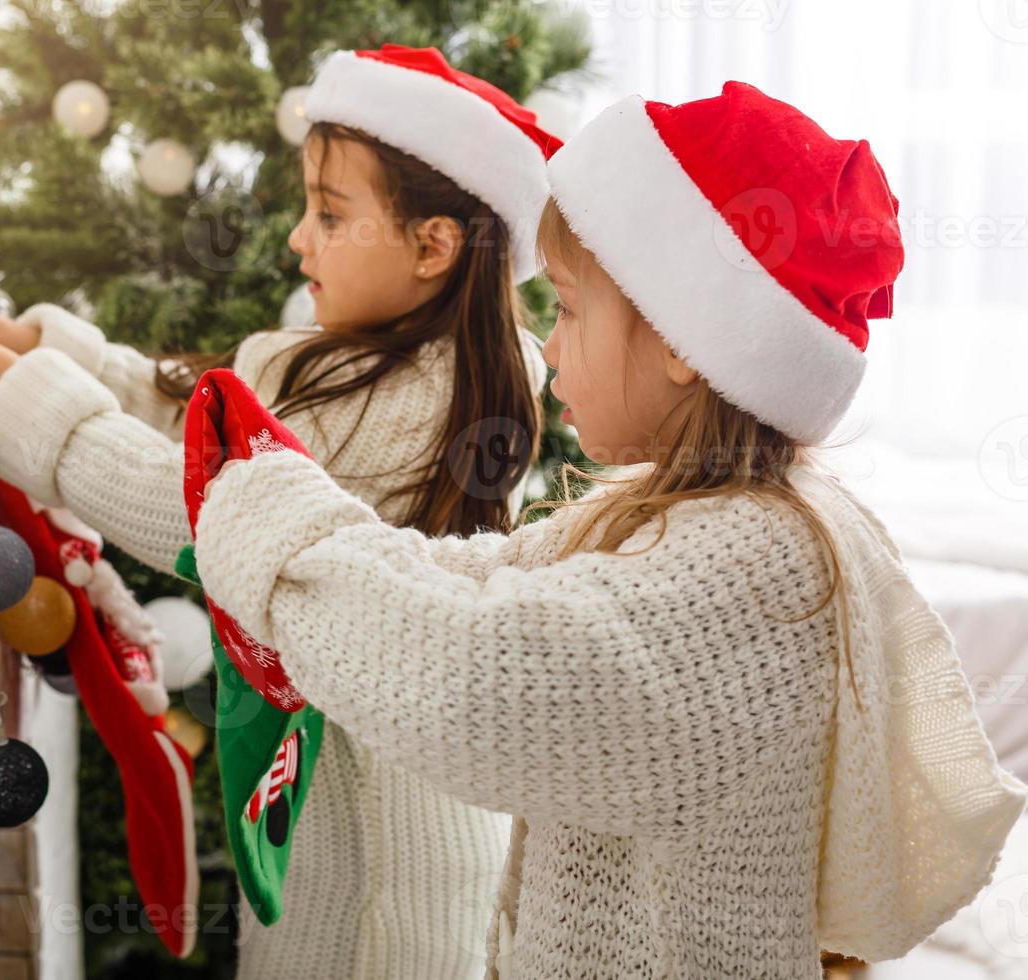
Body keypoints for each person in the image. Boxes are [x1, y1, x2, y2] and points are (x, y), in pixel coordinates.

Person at [190, 82, 1027, 978]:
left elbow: (475, 682)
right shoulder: (657, 513)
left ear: (680, 340)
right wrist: (285, 509)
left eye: (572, 308)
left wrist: (262, 509)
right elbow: (470, 577)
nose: (547, 345)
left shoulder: (755, 565)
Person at [0, 45, 561, 979]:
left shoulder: (423, 402)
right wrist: (53, 349)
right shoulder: (390, 360)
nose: (298, 239)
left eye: (330, 214)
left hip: (381, 891)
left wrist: (29, 398)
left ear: (433, 246)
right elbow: (216, 437)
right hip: (325, 844)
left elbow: (213, 515)